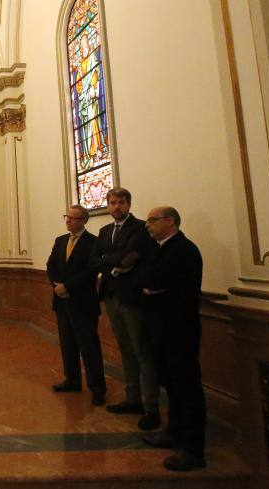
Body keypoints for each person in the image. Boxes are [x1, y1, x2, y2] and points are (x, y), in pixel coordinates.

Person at [140, 206, 207, 471]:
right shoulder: (158, 248)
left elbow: (162, 281)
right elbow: (145, 279)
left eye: (152, 220)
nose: (147, 225)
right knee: (172, 384)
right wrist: (151, 286)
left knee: (186, 387)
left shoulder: (184, 249)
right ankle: (174, 432)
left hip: (179, 329)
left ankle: (193, 449)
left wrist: (153, 286)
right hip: (161, 328)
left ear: (170, 221)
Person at [90, 187, 160, 430]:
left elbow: (131, 257)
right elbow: (94, 260)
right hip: (111, 294)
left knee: (142, 350)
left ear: (129, 204)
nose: (116, 207)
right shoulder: (105, 230)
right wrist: (114, 262)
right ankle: (132, 399)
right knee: (125, 348)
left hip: (132, 296)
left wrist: (112, 260)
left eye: (120, 202)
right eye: (112, 202)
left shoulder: (140, 228)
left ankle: (151, 406)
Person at [46, 205, 107, 405]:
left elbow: (91, 271)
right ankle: (72, 379)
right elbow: (51, 265)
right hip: (61, 301)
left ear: (83, 221)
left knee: (89, 346)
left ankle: (97, 387)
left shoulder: (93, 242)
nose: (68, 221)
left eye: (73, 218)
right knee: (67, 343)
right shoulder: (61, 240)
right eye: (67, 216)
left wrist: (68, 287)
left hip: (82, 301)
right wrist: (56, 286)